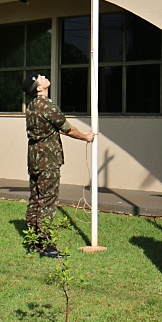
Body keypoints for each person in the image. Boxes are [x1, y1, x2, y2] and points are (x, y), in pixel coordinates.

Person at [22, 72, 95, 258]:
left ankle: (33, 241)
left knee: (36, 199)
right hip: (48, 160)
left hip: (34, 159)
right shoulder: (47, 106)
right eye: (39, 78)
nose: (43, 76)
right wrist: (86, 136)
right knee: (47, 202)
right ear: (39, 88)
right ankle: (47, 246)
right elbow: (68, 129)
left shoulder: (31, 106)